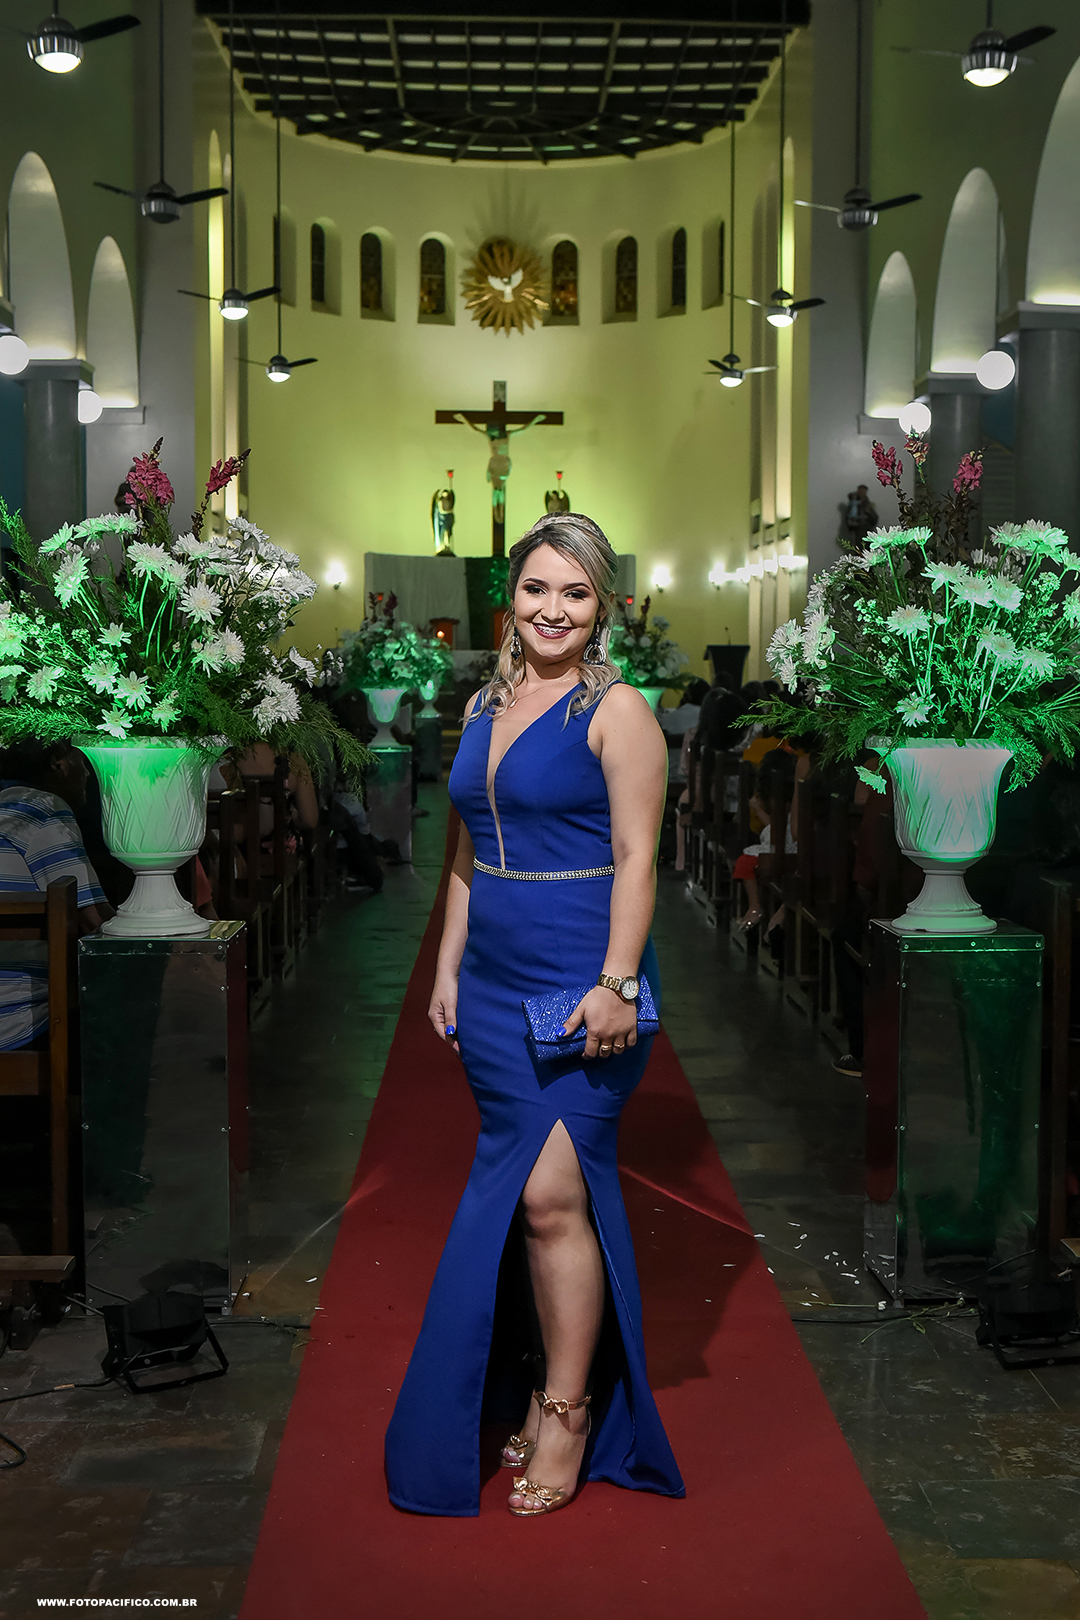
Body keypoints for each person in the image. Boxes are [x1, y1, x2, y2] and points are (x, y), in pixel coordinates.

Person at [385, 512, 684, 1518]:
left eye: (576, 592)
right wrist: (446, 966)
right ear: (509, 598)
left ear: (603, 606)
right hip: (493, 980)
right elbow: (466, 850)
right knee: (529, 1200)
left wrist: (619, 984)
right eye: (537, 588)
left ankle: (568, 1411)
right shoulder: (486, 702)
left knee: (555, 1197)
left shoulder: (619, 711)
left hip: (582, 977)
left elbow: (640, 859)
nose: (553, 609)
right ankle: (540, 1380)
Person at [0, 740, 113, 1050]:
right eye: (81, 758)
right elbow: (94, 923)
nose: (87, 772)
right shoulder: (44, 808)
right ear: (58, 762)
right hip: (16, 1025)